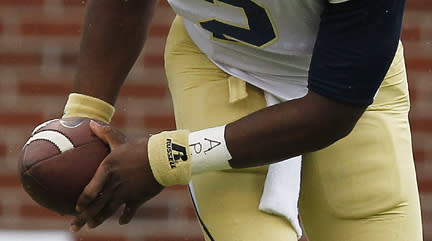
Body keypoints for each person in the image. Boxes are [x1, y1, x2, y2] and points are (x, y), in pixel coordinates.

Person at [44, 0, 423, 240]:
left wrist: (167, 158)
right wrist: (85, 117)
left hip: (346, 92)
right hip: (221, 63)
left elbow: (333, 111)